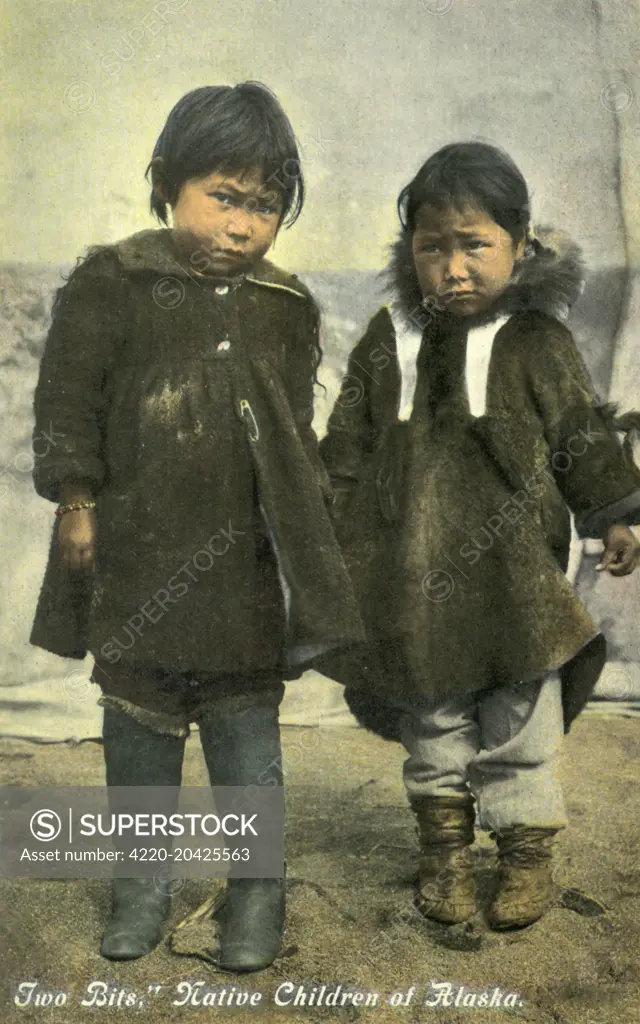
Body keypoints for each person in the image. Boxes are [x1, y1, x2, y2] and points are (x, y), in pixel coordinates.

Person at [30, 82, 362, 969]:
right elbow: (66, 400)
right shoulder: (114, 284)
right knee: (137, 720)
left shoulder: (285, 306)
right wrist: (75, 499)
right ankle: (141, 889)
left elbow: (294, 434)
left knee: (245, 727)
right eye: (224, 196)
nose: (242, 226)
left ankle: (257, 896)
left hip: (248, 564)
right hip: (138, 551)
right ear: (168, 184)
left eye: (266, 206)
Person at [319, 142, 640, 931]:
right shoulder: (390, 338)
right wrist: (330, 532)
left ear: (519, 243)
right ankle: (444, 857)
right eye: (433, 246)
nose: (454, 267)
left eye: (475, 244)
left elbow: (578, 431)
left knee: (518, 716)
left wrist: (610, 514)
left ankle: (526, 857)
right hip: (413, 577)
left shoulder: (538, 340)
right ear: (411, 251)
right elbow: (348, 443)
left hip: (515, 578)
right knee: (432, 717)